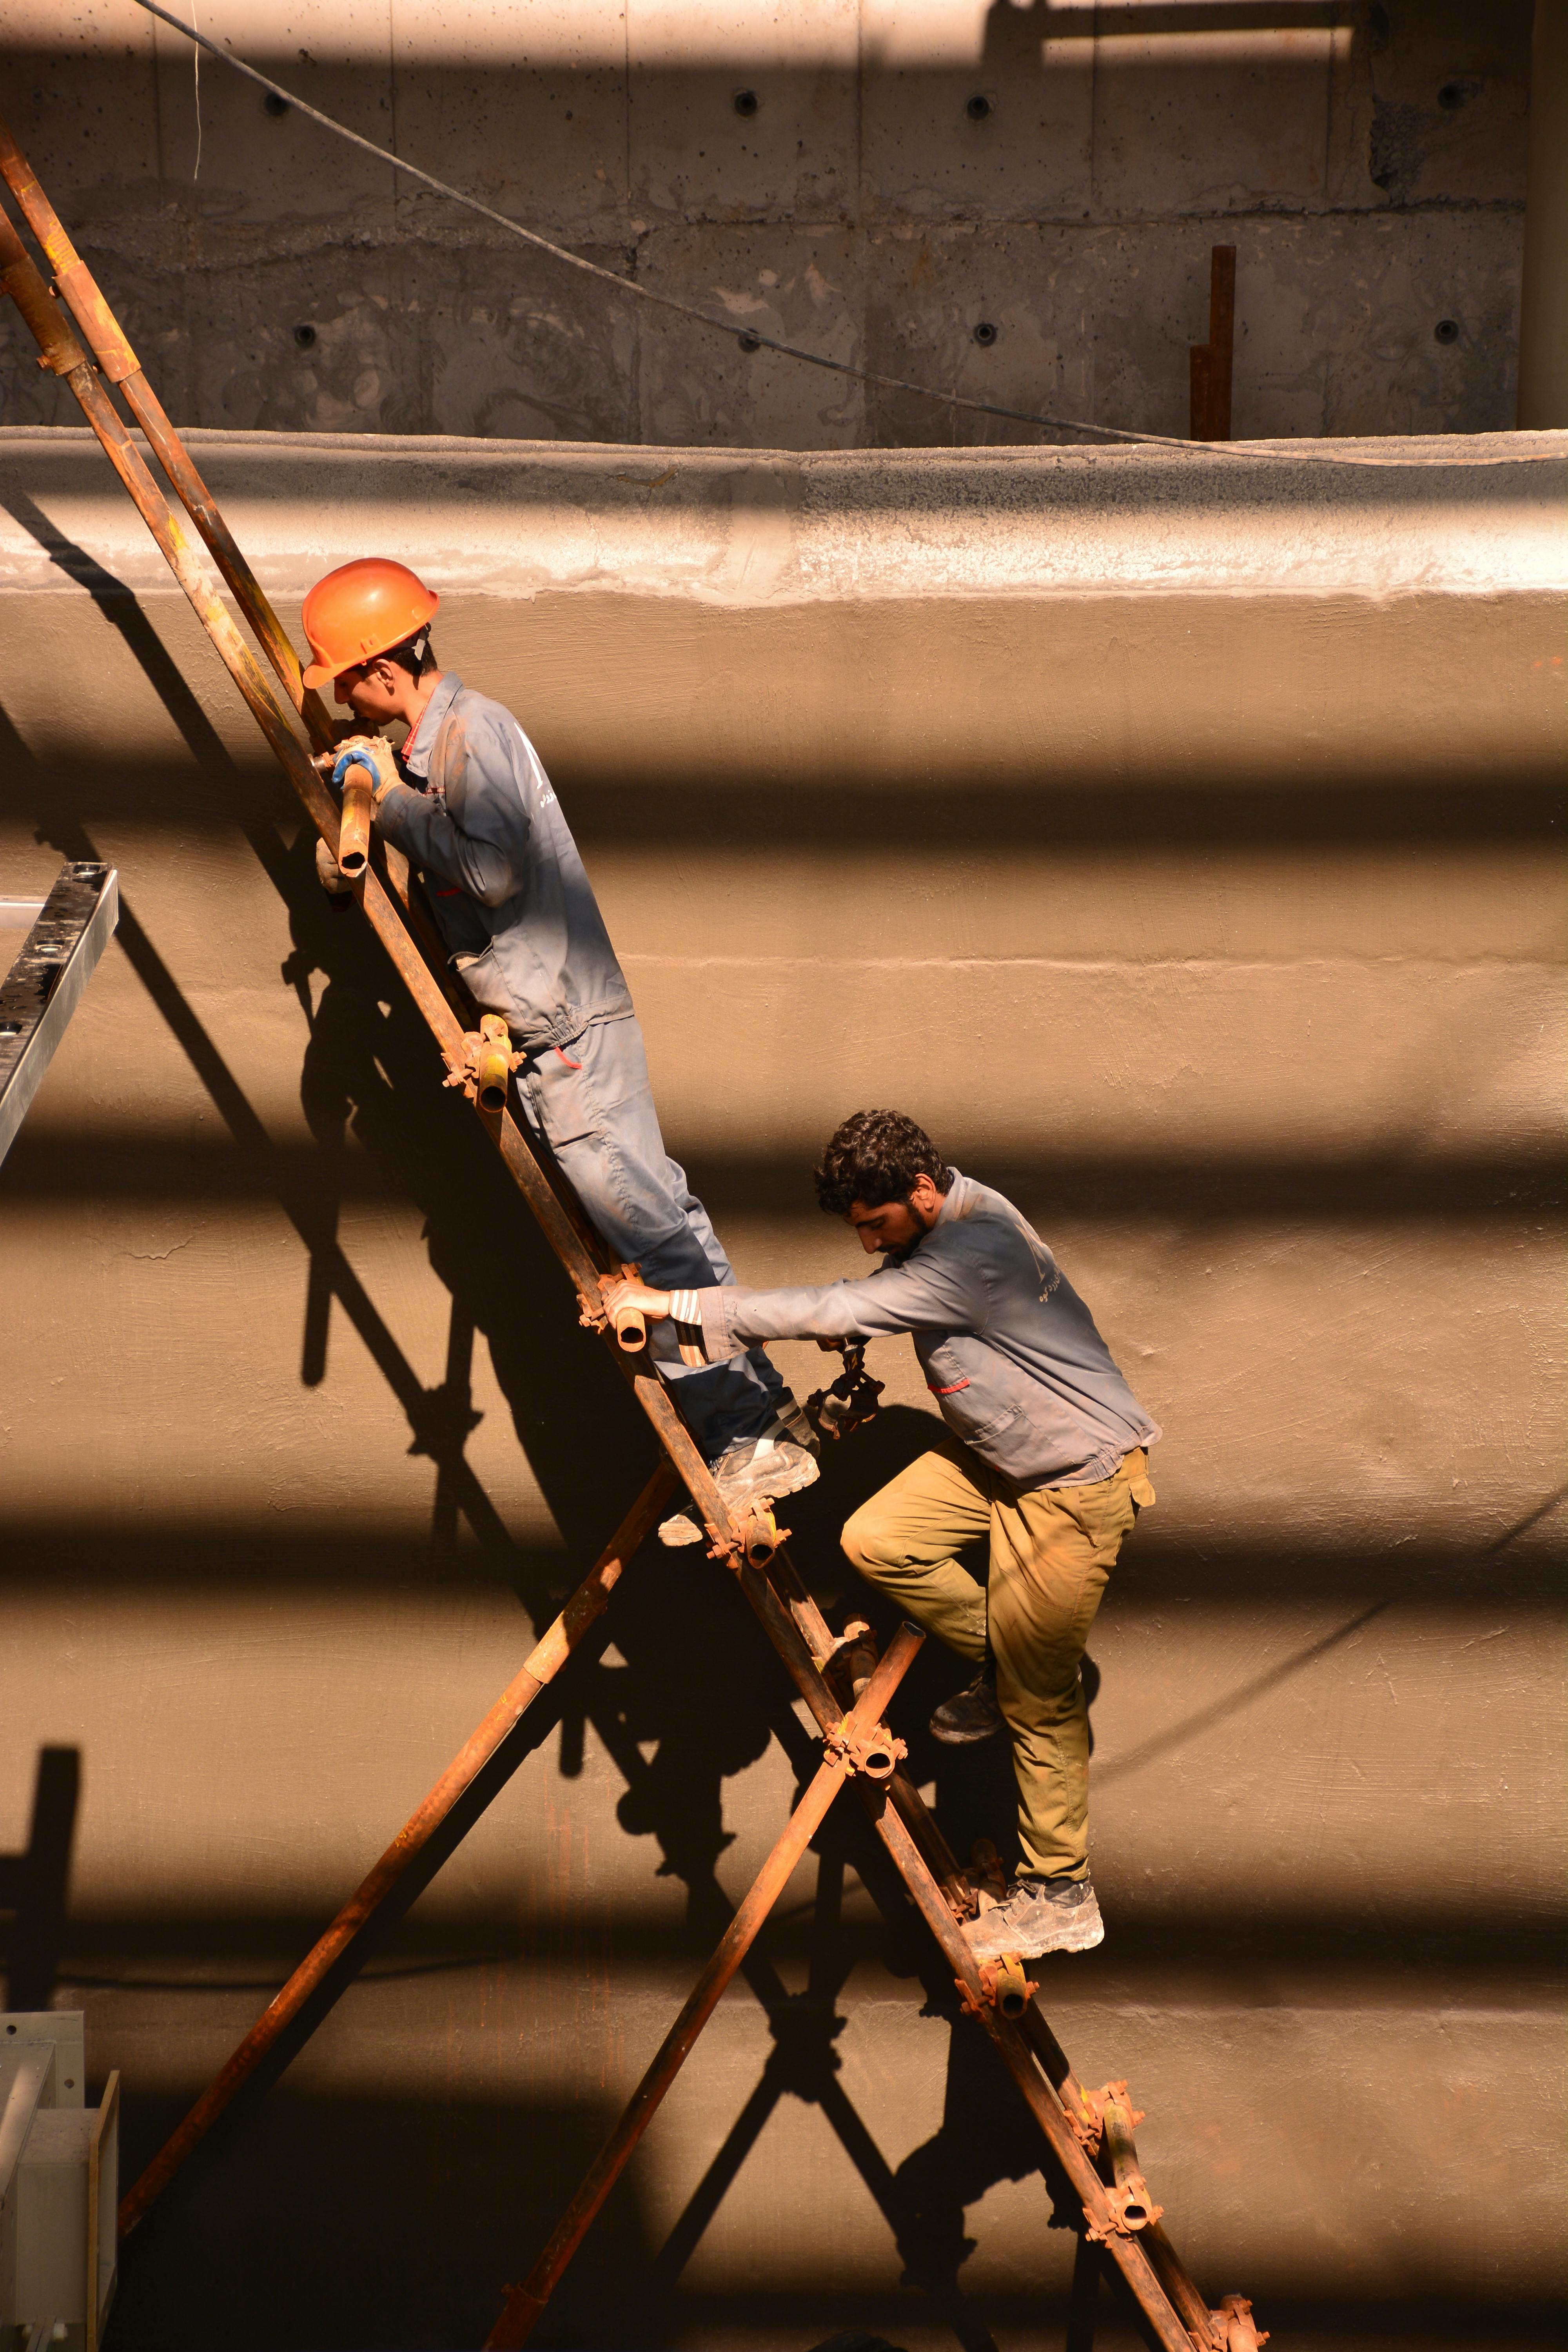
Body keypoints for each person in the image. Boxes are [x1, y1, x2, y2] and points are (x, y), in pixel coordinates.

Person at [299, 556, 818, 1539]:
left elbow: (490, 869)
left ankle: (750, 1439)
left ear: (375, 670)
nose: (349, 702)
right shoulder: (440, 742)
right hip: (552, 1031)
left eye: (347, 682)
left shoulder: (466, 735)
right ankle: (763, 1411)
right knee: (662, 1218)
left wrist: (388, 801)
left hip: (568, 1033)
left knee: (648, 1243)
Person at [604, 1108, 1161, 1961]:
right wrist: (872, 1301)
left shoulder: (972, 1254)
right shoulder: (967, 1212)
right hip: (999, 1459)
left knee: (1035, 1701)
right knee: (879, 1541)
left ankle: (1060, 1895)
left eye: (876, 1225)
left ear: (923, 1190)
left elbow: (828, 1303)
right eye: (858, 1230)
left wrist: (669, 1304)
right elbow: (873, 1296)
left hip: (1068, 1489)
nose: (868, 1244)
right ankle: (1002, 1658)